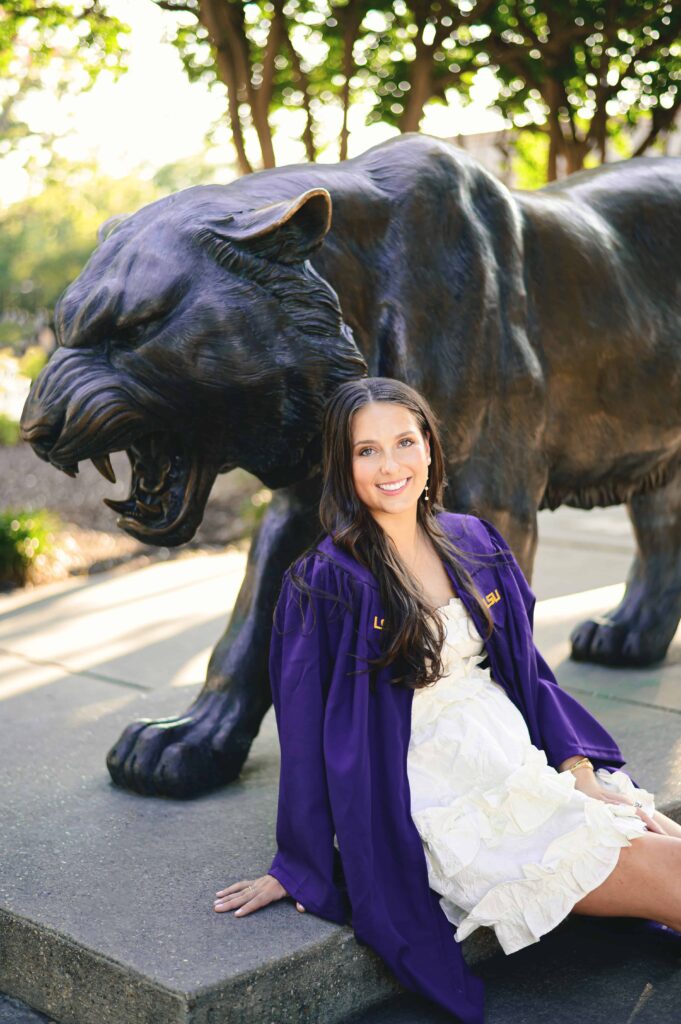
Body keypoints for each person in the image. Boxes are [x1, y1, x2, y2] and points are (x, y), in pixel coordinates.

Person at [213, 377, 681, 1023]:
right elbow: (306, 732)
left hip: (508, 750)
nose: (390, 465)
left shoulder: (474, 540)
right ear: (341, 465)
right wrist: (300, 862)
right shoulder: (324, 583)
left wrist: (577, 770)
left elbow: (526, 672)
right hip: (439, 786)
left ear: (430, 447)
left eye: (404, 441)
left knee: (661, 845)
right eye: (365, 450)